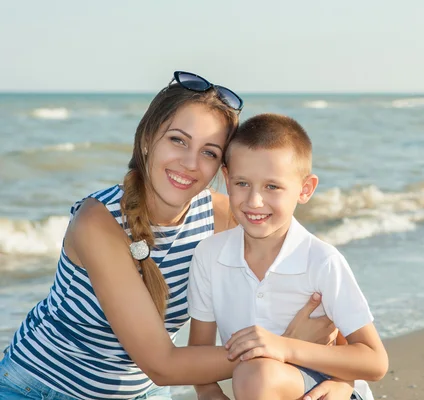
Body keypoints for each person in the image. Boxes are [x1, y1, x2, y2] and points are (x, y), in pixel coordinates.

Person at [0, 72, 352, 400]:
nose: (189, 163)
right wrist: (282, 346)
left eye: (209, 152)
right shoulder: (98, 223)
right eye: (178, 140)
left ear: (223, 168)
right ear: (147, 138)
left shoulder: (224, 215)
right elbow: (162, 364)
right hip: (38, 388)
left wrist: (340, 379)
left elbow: (318, 291)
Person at [187, 113, 389, 400]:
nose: (254, 201)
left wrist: (284, 347)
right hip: (255, 390)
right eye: (242, 183)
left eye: (272, 186)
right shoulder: (209, 256)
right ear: (226, 179)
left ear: (305, 189)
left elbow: (375, 361)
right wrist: (209, 392)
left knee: (256, 375)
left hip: (324, 392)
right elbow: (199, 359)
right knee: (254, 377)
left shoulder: (321, 261)